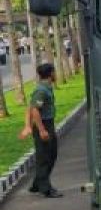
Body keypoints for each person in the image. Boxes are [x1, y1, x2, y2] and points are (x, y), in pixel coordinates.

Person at [21, 63, 60, 198]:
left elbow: (30, 107)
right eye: (54, 72)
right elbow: (34, 110)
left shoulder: (46, 88)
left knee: (51, 154)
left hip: (47, 124)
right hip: (43, 125)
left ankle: (37, 184)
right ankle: (46, 189)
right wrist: (42, 130)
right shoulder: (41, 90)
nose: (55, 74)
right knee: (45, 157)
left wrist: (28, 126)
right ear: (50, 74)